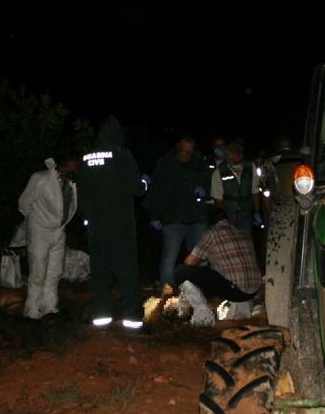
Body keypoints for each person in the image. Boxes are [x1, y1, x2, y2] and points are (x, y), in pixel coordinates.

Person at [76, 116, 148, 331]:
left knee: (100, 272)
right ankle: (132, 319)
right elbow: (137, 188)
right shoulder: (122, 155)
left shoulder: (86, 159)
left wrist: (87, 216)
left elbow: (81, 192)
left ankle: (101, 316)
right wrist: (145, 182)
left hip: (96, 227)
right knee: (127, 272)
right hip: (121, 226)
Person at [16, 151, 79, 319]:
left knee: (55, 271)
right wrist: (36, 221)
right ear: (64, 163)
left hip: (59, 231)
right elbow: (24, 203)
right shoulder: (41, 178)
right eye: (73, 163)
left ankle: (49, 306)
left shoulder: (70, 183)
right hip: (39, 231)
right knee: (37, 271)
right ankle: (32, 310)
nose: (75, 166)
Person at [174, 208, 261, 325]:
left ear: (210, 223)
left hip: (236, 291)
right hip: (254, 289)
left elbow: (189, 262)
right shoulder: (243, 232)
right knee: (209, 273)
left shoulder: (211, 234)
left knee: (181, 272)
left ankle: (203, 314)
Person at [147, 131, 210, 290]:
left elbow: (210, 183)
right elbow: (155, 190)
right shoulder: (164, 164)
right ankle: (167, 291)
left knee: (200, 257)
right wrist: (154, 215)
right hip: (173, 217)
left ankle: (199, 289)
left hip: (197, 218)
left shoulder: (199, 163)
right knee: (169, 256)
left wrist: (205, 190)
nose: (185, 155)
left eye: (189, 152)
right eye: (183, 151)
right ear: (177, 147)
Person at [210, 140, 261, 232]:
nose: (237, 160)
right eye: (233, 158)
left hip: (246, 214)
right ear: (227, 157)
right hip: (228, 215)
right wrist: (222, 219)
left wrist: (257, 212)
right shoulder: (219, 172)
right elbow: (218, 199)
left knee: (246, 242)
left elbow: (255, 191)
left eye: (239, 156)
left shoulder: (250, 167)